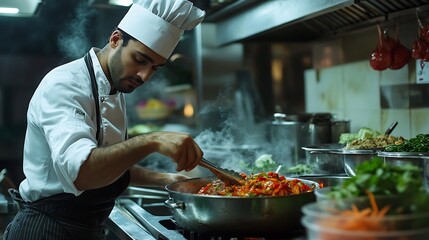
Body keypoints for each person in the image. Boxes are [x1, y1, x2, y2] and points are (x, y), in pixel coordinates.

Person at [4, 0, 205, 239]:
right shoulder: (65, 85)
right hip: (46, 229)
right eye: (140, 60)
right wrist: (152, 140)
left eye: (155, 68)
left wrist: (168, 180)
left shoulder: (115, 88)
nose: (145, 76)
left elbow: (112, 164)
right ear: (116, 39)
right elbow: (84, 172)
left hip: (86, 228)